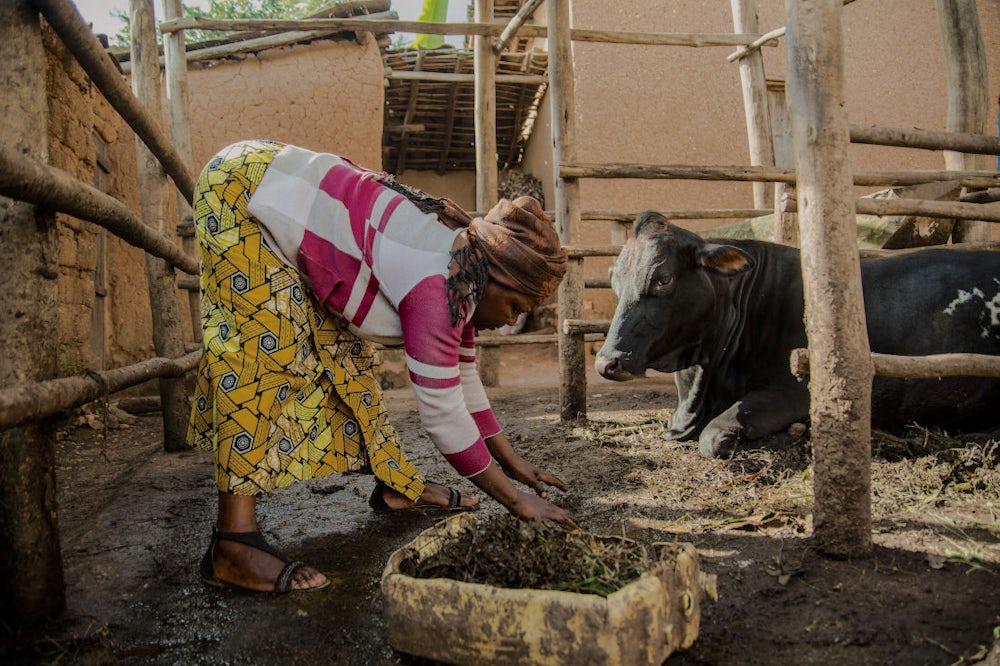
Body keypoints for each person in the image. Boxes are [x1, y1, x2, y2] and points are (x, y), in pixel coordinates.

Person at [187, 139, 573, 593]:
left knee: (347, 361)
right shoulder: (437, 287)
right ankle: (232, 543)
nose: (511, 320)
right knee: (261, 353)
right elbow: (443, 415)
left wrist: (512, 462)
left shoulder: (465, 269)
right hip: (242, 190)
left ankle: (397, 487)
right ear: (496, 278)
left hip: (277, 185)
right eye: (513, 305)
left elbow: (463, 377)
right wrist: (515, 502)